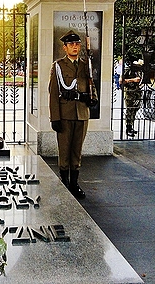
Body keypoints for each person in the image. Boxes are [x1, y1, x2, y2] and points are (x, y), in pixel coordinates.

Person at [49, 31, 98, 199]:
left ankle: (74, 183)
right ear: (65, 47)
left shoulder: (86, 65)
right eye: (71, 44)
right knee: (64, 150)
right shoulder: (58, 66)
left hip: (82, 114)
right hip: (65, 114)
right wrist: (55, 117)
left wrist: (93, 99)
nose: (75, 46)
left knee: (77, 151)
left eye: (77, 44)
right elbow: (54, 93)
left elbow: (91, 84)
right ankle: (64, 182)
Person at [121, 59, 143, 137]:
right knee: (129, 110)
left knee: (135, 109)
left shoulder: (139, 71)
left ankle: (131, 126)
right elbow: (121, 81)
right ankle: (128, 128)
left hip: (137, 92)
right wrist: (133, 80)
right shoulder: (128, 70)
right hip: (130, 93)